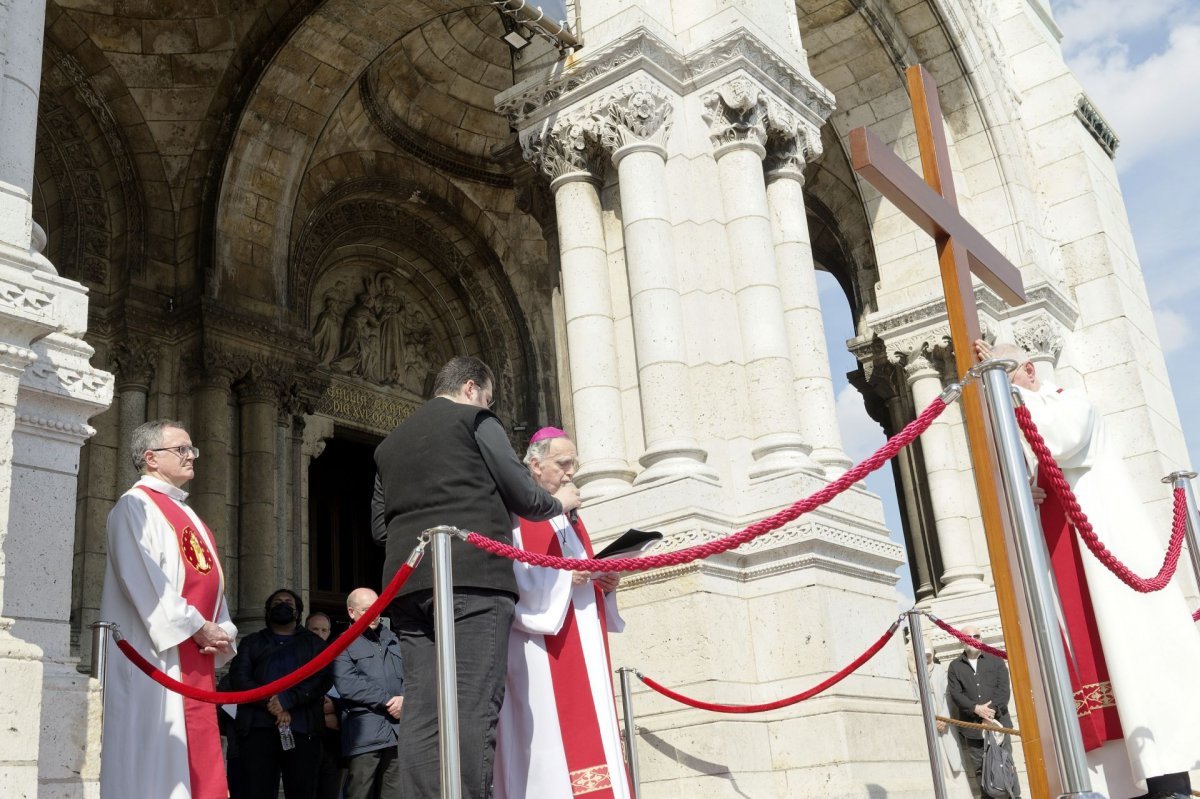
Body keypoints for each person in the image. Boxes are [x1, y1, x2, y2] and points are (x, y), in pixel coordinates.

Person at [977, 340, 1200, 799]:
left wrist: (1012, 393)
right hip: (1060, 560)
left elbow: (1060, 441)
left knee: (1129, 666)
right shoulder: (1028, 416)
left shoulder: (1070, 402)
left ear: (1031, 370)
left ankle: (1165, 782)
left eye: (1008, 376)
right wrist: (1025, 487)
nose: (1006, 392)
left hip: (1103, 561)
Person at [374, 356, 581, 799]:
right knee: (470, 706)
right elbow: (523, 493)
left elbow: (379, 527)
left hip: (408, 585)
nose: (487, 404)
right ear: (472, 389)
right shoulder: (475, 419)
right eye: (487, 397)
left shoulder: (389, 444)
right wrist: (559, 502)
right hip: (473, 578)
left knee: (423, 713)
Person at [99, 419, 236, 799]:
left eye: (193, 449)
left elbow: (212, 588)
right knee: (155, 761)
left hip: (194, 653)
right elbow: (146, 584)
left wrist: (222, 631)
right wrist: (196, 626)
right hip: (154, 658)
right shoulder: (134, 508)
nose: (192, 456)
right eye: (182, 449)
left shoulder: (192, 517)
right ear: (151, 459)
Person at [494, 427, 631, 798]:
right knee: (549, 735)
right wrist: (566, 579)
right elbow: (517, 576)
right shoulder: (520, 510)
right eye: (563, 463)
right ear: (535, 465)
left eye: (574, 464)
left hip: (581, 635)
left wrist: (604, 581)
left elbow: (577, 566)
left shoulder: (570, 515)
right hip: (541, 643)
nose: (571, 472)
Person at [228, 588, 331, 799]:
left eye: (288, 602)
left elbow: (322, 678)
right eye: (277, 602)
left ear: (297, 612)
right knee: (257, 791)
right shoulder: (251, 642)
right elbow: (239, 678)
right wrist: (272, 704)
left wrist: (287, 700)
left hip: (303, 729)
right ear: (268, 610)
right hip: (257, 729)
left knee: (302, 791)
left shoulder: (315, 644)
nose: (282, 605)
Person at [333, 588, 405, 799]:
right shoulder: (342, 643)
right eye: (367, 610)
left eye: (378, 608)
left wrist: (405, 698)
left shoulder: (394, 639)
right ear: (351, 612)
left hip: (397, 733)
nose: (375, 614)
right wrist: (388, 700)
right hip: (364, 735)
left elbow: (413, 673)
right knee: (360, 793)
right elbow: (348, 683)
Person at [946, 625, 1020, 797]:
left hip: (999, 724)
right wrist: (976, 709)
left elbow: (1003, 690)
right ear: (960, 640)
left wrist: (990, 711)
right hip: (973, 728)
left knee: (1006, 765)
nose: (973, 639)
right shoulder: (954, 667)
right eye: (968, 636)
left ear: (981, 639)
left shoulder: (996, 660)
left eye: (976, 635)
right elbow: (956, 694)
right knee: (981, 769)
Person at [907, 645, 975, 798]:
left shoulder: (939, 670)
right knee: (936, 759)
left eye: (928, 655)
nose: (925, 659)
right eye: (921, 655)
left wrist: (943, 718)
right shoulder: (910, 675)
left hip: (944, 720)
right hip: (926, 722)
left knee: (953, 759)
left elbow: (948, 697)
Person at [306, 612, 344, 799]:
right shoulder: (297, 657)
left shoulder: (338, 659)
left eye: (324, 630)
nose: (320, 634)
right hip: (305, 739)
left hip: (331, 742)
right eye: (315, 629)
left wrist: (335, 707)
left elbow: (348, 693)